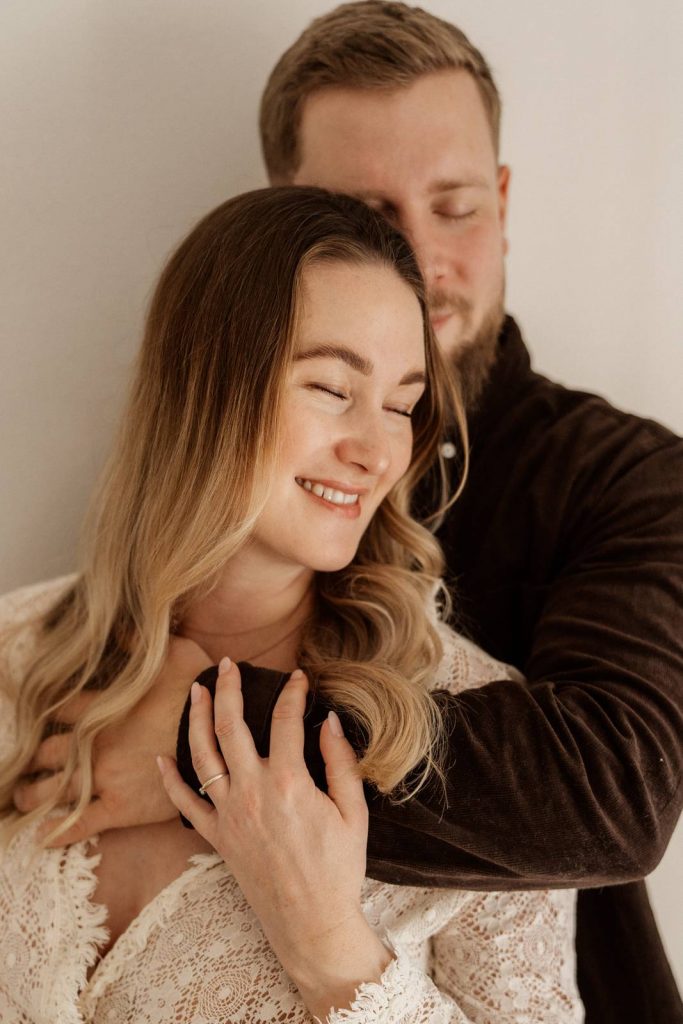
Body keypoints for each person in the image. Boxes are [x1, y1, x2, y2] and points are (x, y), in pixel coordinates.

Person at [14, 3, 683, 1020]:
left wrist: (208, 736)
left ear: (501, 202)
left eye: (453, 205)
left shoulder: (621, 476)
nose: (410, 257)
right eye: (363, 213)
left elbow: (614, 791)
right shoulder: (40, 647)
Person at [0, 186, 582, 1021]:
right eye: (332, 388)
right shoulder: (18, 649)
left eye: (401, 406)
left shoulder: (467, 727)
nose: (375, 450)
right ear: (203, 383)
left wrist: (327, 946)